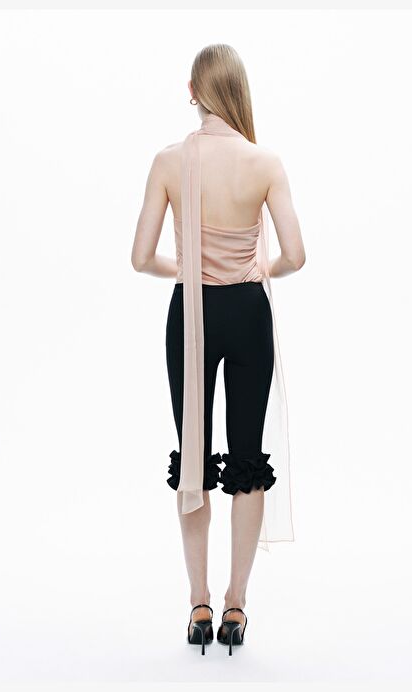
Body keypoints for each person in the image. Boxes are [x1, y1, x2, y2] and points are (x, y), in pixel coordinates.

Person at [131, 44, 305, 655]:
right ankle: (236, 605)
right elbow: (295, 255)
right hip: (249, 313)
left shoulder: (168, 161)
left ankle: (198, 604)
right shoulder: (265, 162)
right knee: (248, 457)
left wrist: (188, 269)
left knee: (195, 458)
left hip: (191, 315)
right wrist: (260, 268)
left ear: (192, 90)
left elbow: (140, 258)